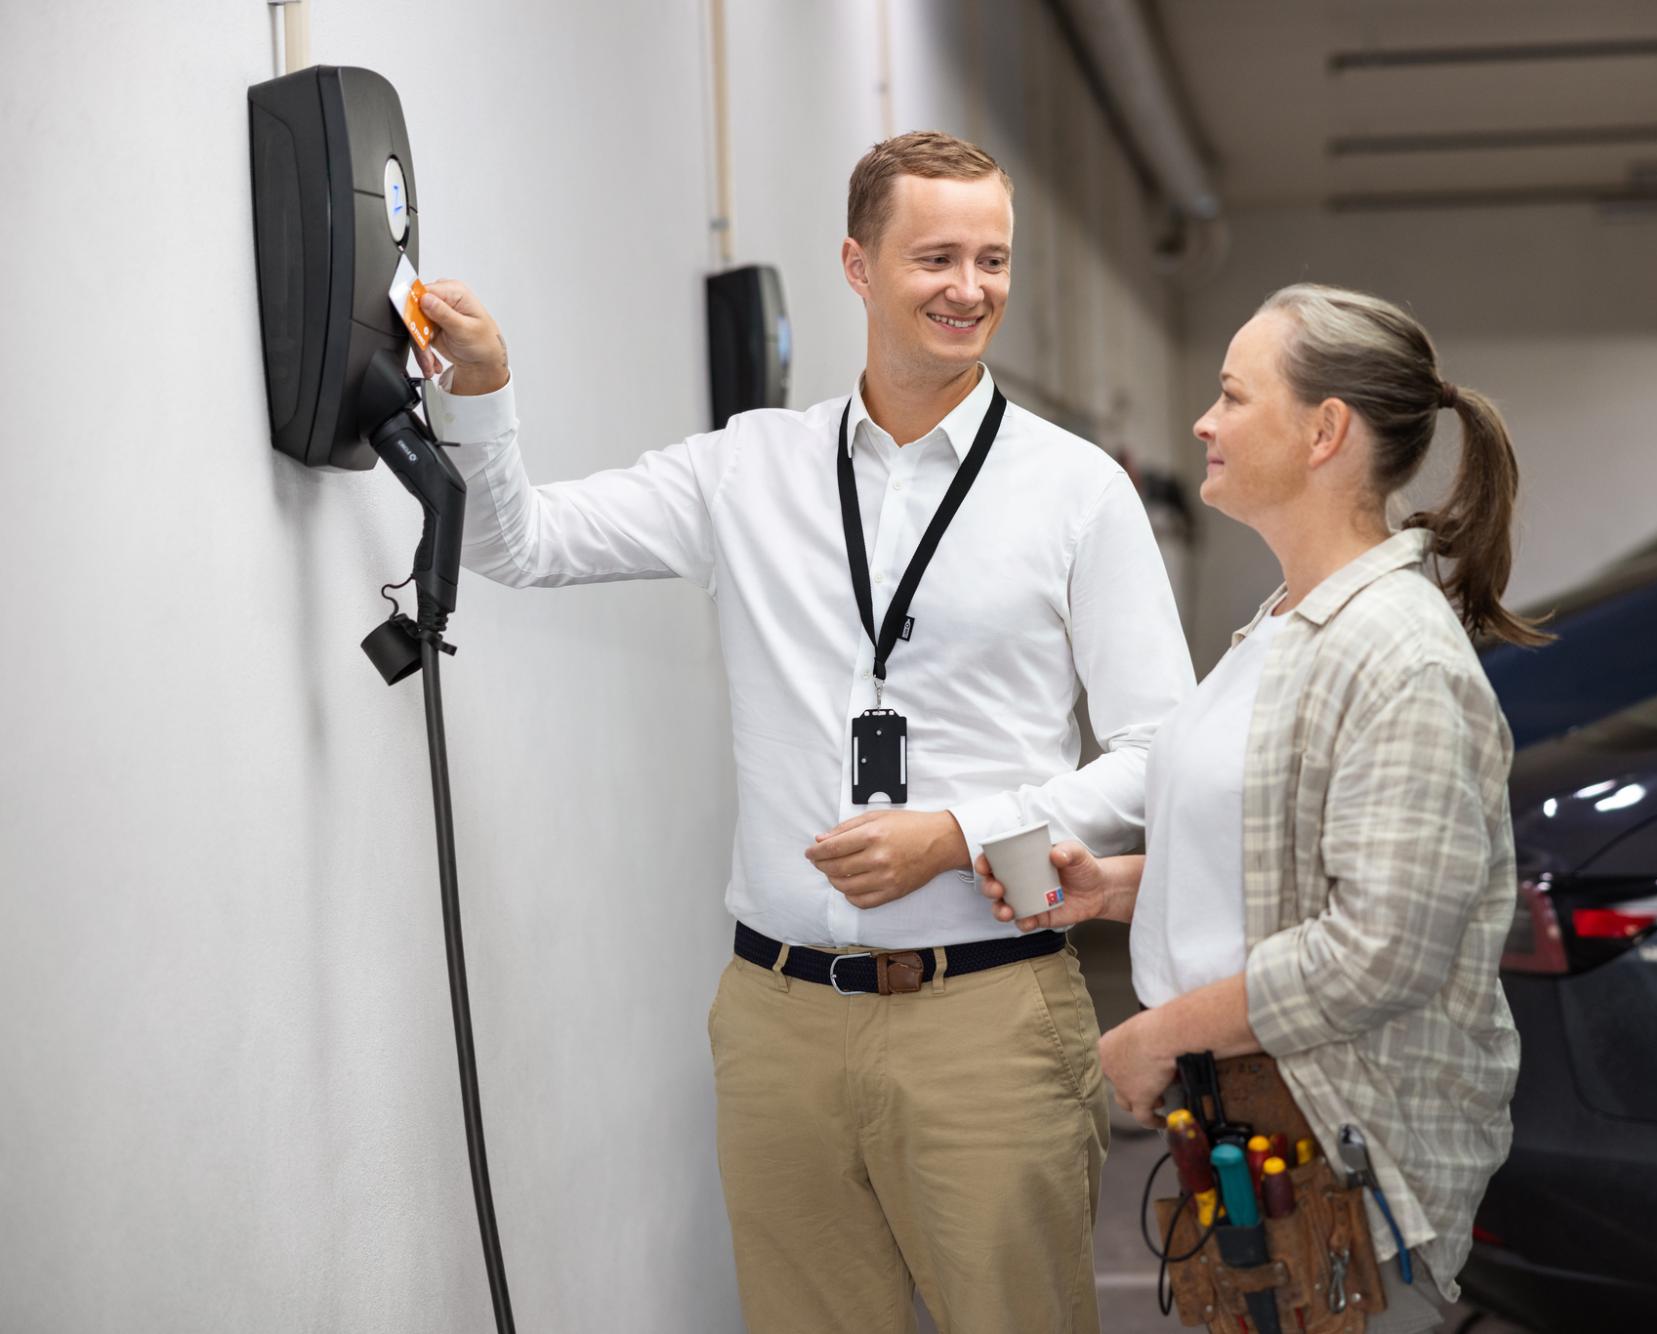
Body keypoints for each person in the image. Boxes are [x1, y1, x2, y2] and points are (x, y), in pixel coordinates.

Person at [411, 132, 1193, 1333]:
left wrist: (955, 832)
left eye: (992, 259)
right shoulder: (747, 469)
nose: (968, 288)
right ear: (855, 263)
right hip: (777, 1016)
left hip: (987, 1017)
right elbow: (519, 544)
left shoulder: (1075, 489)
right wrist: (483, 388)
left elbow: (1157, 751)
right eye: (935, 255)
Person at [982, 284, 1537, 1331]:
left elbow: (1378, 947)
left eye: (1232, 396)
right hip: (1247, 1122)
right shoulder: (1286, 621)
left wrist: (1153, 1035)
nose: (1202, 421)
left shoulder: (1400, 657)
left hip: (1353, 1175)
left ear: (1325, 430)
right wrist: (1114, 888)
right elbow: (1277, 865)